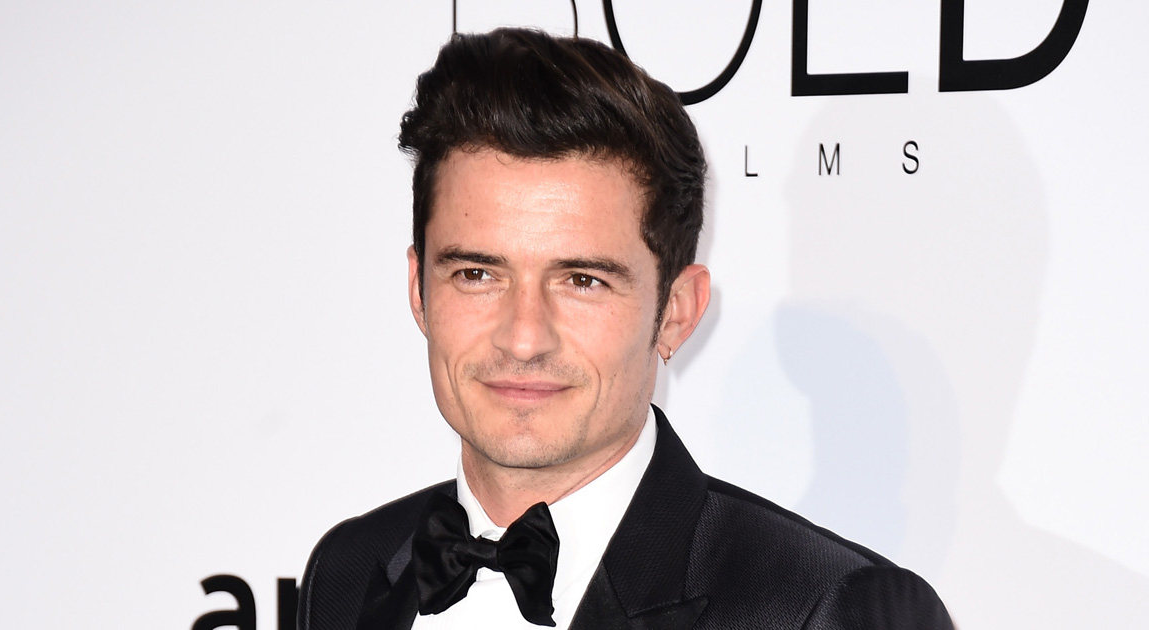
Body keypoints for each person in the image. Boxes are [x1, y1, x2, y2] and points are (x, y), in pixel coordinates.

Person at [297, 28, 953, 630]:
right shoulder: (348, 571)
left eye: (582, 281)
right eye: (477, 274)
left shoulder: (824, 607)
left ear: (676, 311)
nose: (523, 338)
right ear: (419, 290)